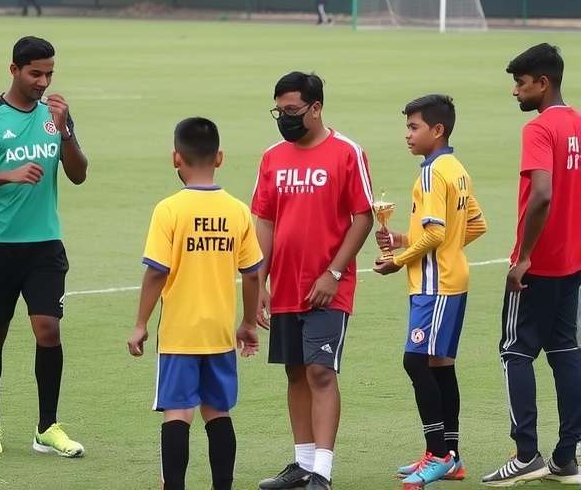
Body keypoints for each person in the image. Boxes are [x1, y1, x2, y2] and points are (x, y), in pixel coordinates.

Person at [0, 36, 88, 458]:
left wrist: (65, 132)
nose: (43, 82)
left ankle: (48, 428)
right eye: (35, 73)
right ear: (14, 70)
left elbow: (79, 174)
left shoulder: (56, 115)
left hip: (45, 244)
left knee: (48, 329)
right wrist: (4, 176)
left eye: (49, 73)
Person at [253, 72, 374, 490]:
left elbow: (363, 217)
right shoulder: (272, 157)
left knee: (320, 372)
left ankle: (322, 470)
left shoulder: (347, 153)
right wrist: (258, 285)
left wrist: (334, 272)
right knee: (294, 372)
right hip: (284, 286)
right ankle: (302, 463)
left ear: (316, 107)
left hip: (328, 288)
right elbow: (265, 221)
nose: (284, 119)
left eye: (292, 111)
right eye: (279, 111)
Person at [127, 117, 263, 490]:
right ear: (219, 157)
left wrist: (141, 323)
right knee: (218, 411)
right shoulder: (236, 210)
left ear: (176, 158)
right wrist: (248, 323)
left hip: (179, 333)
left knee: (178, 413)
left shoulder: (169, 210)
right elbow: (252, 273)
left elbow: (156, 272)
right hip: (219, 332)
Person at [373, 94, 487, 487]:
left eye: (413, 127)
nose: (407, 135)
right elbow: (474, 225)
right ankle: (450, 456)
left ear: (437, 130)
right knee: (439, 364)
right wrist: (406, 238)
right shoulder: (457, 168)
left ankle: (437, 453)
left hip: (434, 285)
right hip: (452, 278)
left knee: (415, 361)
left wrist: (399, 260)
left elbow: (438, 233)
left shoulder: (431, 172)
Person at [482, 43, 581, 486]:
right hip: (572, 262)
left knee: (515, 352)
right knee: (565, 352)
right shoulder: (577, 122)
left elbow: (541, 194)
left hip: (538, 265)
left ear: (543, 83)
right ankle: (566, 457)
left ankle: (526, 454)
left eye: (520, 83)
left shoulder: (540, 129)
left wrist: (523, 257)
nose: (514, 92)